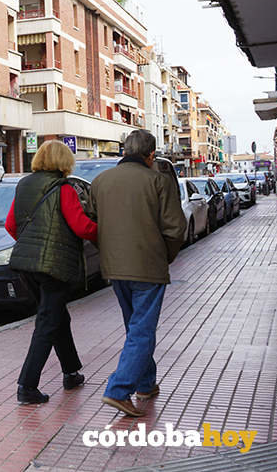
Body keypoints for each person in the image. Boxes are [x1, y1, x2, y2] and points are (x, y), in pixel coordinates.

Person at [91, 130, 187, 417]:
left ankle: (146, 383)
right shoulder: (159, 180)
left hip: (114, 268)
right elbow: (175, 228)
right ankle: (117, 390)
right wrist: (166, 256)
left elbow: (93, 223)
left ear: (123, 152)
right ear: (151, 156)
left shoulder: (100, 181)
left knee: (135, 326)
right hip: (148, 267)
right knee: (142, 331)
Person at [5, 140, 97, 405]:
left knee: (56, 315)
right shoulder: (64, 188)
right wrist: (102, 231)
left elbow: (11, 225)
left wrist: (31, 245)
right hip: (54, 266)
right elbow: (81, 227)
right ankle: (27, 386)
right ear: (64, 161)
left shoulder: (24, 184)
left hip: (26, 264)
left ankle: (71, 372)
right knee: (47, 322)